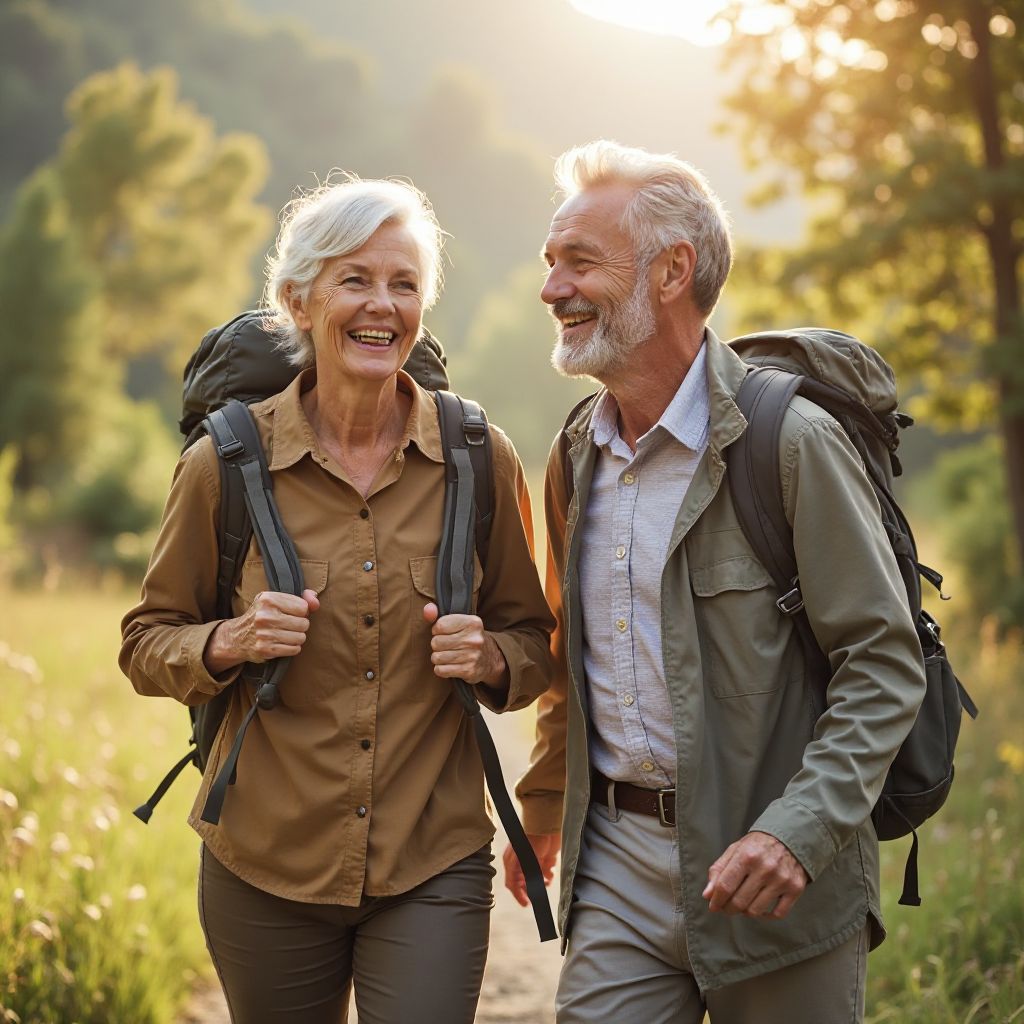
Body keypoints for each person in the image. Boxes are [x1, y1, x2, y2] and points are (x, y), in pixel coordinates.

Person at [502, 141, 927, 1023]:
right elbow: (575, 659)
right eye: (550, 261)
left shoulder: (792, 443)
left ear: (671, 272)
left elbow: (883, 665)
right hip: (614, 869)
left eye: (579, 261)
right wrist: (544, 803)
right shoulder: (575, 454)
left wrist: (799, 833)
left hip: (777, 879)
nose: (551, 289)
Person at [120, 175, 554, 1024]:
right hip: (262, 862)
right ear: (298, 301)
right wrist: (231, 641)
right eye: (355, 279)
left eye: (404, 284)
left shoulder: (478, 457)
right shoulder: (224, 464)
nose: (382, 305)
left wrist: (492, 656)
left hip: (432, 859)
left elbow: (534, 640)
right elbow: (145, 642)